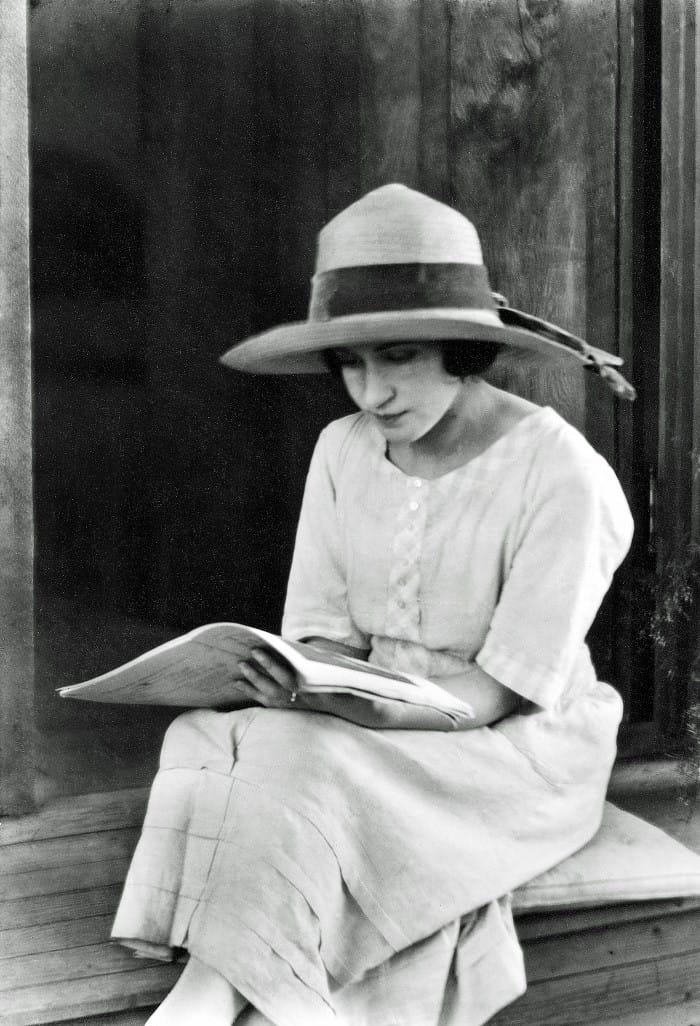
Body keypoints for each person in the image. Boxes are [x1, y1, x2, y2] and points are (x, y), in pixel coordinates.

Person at [112, 184, 636, 1026]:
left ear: (458, 349)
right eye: (350, 364)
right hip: (370, 711)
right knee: (208, 737)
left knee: (304, 761)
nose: (370, 393)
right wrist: (299, 680)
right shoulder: (341, 449)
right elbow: (323, 633)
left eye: (397, 357)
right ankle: (239, 980)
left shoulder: (562, 474)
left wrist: (362, 718)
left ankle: (215, 995)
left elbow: (502, 690)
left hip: (509, 747)